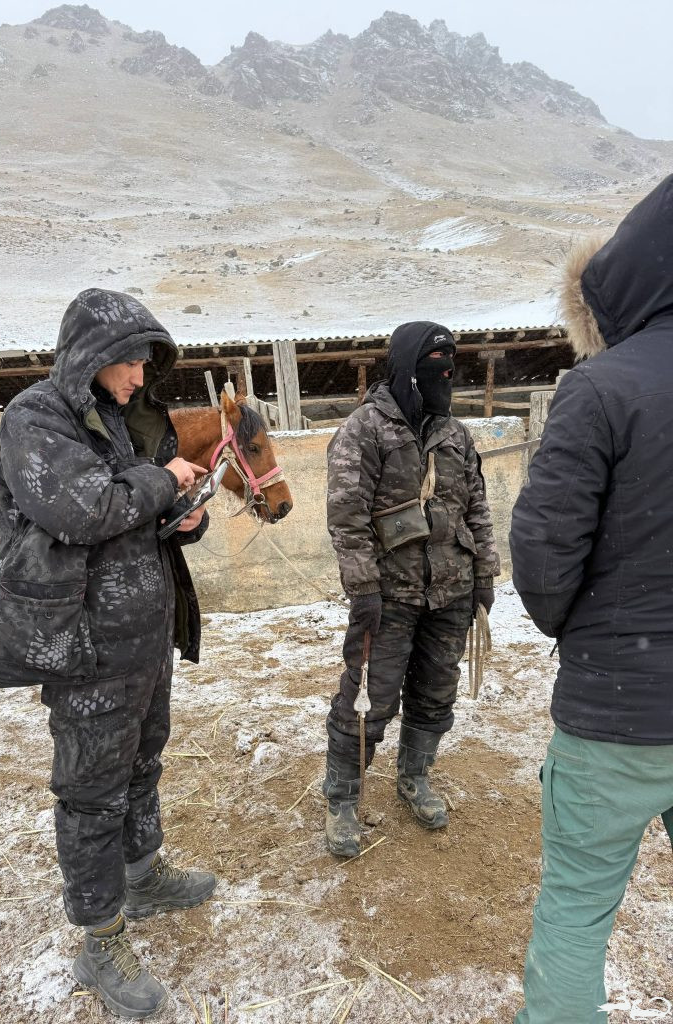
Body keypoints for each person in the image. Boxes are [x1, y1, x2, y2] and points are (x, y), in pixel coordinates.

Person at [0, 288, 217, 1020]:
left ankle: (142, 877)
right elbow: (80, 512)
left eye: (146, 361)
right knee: (90, 789)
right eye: (132, 361)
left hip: (143, 635)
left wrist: (184, 516)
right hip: (81, 645)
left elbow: (136, 519)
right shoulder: (35, 418)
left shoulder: (122, 418)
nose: (142, 376)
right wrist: (160, 479)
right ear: (92, 356)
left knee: (144, 758)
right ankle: (99, 937)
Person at [510, 175, 673, 1023]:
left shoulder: (604, 387)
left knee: (577, 908)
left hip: (618, 711)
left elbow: (541, 556)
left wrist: (590, 631)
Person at [324, 320, 500, 857]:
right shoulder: (365, 429)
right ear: (407, 367)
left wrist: (484, 575)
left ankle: (414, 777)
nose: (445, 374)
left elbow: (478, 507)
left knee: (435, 692)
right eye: (434, 364)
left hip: (451, 591)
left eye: (451, 363)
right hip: (389, 597)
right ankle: (343, 798)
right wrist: (364, 590)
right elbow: (346, 517)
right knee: (368, 701)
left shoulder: (456, 434)